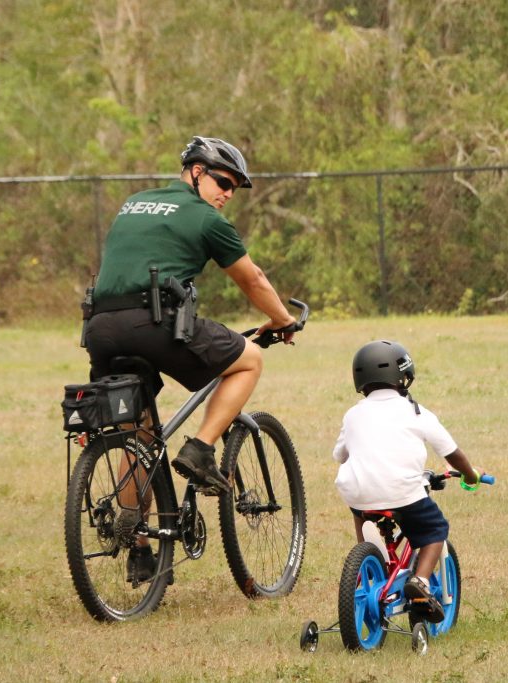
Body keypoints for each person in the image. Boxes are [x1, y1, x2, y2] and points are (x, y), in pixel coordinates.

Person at [83, 136, 296, 582]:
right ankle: (200, 450)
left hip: (99, 328)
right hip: (152, 322)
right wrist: (282, 319)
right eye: (222, 181)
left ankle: (139, 545)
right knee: (250, 359)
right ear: (196, 172)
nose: (226, 194)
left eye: (234, 188)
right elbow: (252, 278)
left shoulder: (135, 203)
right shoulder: (205, 218)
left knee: (138, 433)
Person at [332, 339, 484, 622]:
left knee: (361, 507)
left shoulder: (353, 414)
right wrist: (471, 474)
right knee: (434, 529)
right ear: (403, 377)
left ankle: (368, 562)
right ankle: (421, 582)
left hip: (358, 494)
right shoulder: (416, 412)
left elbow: (339, 454)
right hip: (404, 493)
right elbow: (451, 453)